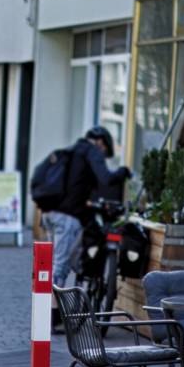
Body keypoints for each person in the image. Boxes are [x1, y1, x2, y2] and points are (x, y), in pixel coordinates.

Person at [35, 126, 131, 330]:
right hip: (67, 217)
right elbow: (105, 178)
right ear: (101, 143)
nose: (103, 155)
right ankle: (50, 317)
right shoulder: (91, 151)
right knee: (59, 267)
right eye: (104, 151)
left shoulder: (70, 151)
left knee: (55, 263)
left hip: (48, 214)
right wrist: (122, 172)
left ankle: (52, 312)